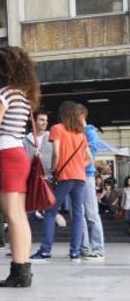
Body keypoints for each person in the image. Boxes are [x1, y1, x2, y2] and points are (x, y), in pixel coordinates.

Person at [0, 45, 39, 286]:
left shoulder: (5, 94)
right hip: (20, 153)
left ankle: (18, 272)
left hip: (6, 154)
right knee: (19, 216)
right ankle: (23, 269)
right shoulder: (25, 95)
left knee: (12, 216)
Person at [31, 101, 92, 262]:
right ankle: (75, 252)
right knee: (78, 214)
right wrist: (78, 166)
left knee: (50, 212)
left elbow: (56, 153)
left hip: (65, 177)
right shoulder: (81, 134)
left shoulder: (57, 129)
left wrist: (53, 170)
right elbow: (90, 159)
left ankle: (45, 250)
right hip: (80, 178)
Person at [76, 105, 105, 260]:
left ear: (81, 116)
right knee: (79, 214)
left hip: (87, 176)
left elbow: (91, 155)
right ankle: (84, 248)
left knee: (91, 213)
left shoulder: (90, 132)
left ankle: (98, 248)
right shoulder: (74, 133)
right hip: (75, 176)